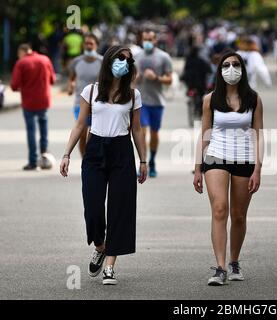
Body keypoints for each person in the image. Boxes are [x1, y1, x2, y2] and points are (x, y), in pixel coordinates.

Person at [59, 45, 147, 285]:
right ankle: (100, 246)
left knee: (120, 208)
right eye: (120, 57)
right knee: (93, 208)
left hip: (121, 151)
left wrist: (143, 160)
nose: (124, 62)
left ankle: (110, 266)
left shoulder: (133, 95)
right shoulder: (90, 90)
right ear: (109, 60)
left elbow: (137, 129)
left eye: (128, 60)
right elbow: (80, 124)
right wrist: (66, 153)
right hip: (95, 150)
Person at [193, 51, 264, 286]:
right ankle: (220, 267)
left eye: (235, 64)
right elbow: (205, 134)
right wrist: (197, 167)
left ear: (242, 69)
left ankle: (234, 262)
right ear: (220, 70)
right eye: (226, 65)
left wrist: (258, 168)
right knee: (220, 209)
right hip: (216, 156)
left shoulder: (253, 99)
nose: (231, 68)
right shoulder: (210, 99)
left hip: (244, 160)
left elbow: (258, 135)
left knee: (239, 216)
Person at [11, 43, 56, 171]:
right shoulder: (45, 59)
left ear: (22, 51)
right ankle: (45, 155)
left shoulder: (21, 63)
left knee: (31, 131)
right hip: (44, 101)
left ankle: (32, 162)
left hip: (29, 102)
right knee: (44, 128)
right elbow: (52, 79)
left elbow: (14, 85)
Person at [136, 30, 173, 177]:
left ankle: (152, 160)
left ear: (156, 40)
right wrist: (136, 78)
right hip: (140, 101)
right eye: (145, 39)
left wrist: (156, 78)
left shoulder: (164, 57)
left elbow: (169, 80)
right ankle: (142, 162)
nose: (147, 42)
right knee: (142, 132)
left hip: (157, 101)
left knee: (154, 133)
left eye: (150, 39)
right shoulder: (136, 56)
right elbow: (128, 77)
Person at [67, 33, 103, 157]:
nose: (88, 46)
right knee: (82, 133)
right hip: (80, 103)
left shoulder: (103, 62)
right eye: (86, 43)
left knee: (95, 135)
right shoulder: (76, 62)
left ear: (96, 46)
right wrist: (71, 85)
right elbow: (71, 78)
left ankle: (95, 159)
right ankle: (85, 160)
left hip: (98, 104)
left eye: (91, 44)